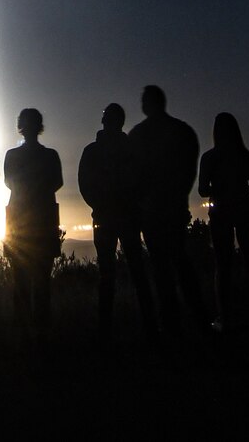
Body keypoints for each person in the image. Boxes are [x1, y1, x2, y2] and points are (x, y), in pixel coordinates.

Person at [130, 86, 211, 336]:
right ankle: (199, 319)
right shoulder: (183, 131)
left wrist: (143, 201)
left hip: (153, 211)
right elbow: (189, 173)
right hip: (173, 208)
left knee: (161, 267)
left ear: (146, 104)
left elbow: (132, 175)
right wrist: (178, 197)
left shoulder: (138, 135)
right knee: (180, 260)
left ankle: (172, 324)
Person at [78, 103, 157, 344]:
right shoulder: (131, 149)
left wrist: (99, 206)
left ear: (105, 121)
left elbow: (85, 185)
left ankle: (106, 332)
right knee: (136, 271)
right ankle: (150, 328)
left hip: (106, 218)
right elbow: (145, 180)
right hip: (127, 216)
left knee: (107, 273)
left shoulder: (93, 151)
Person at [197, 112, 249, 331]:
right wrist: (239, 189)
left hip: (220, 214)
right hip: (244, 210)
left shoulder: (209, 158)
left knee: (223, 265)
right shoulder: (245, 156)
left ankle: (225, 318)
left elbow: (201, 190)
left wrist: (218, 189)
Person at [3, 107, 63, 341]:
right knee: (41, 281)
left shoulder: (12, 156)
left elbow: (9, 182)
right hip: (43, 220)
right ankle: (41, 334)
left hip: (20, 221)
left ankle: (23, 334)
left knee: (21, 280)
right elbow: (57, 182)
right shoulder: (51, 156)